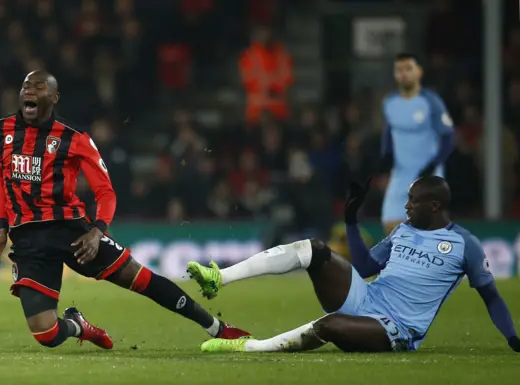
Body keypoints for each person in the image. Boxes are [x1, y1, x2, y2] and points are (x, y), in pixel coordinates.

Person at [0, 70, 250, 350]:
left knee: (141, 279)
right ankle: (78, 325)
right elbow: (1, 181)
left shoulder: (75, 138)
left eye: (38, 87)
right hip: (28, 241)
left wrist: (97, 232)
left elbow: (105, 192)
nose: (29, 91)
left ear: (54, 97)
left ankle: (217, 327)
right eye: (26, 86)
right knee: (46, 335)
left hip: (71, 233)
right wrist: (2, 228)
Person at [187, 176, 520, 353]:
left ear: (434, 205)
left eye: (412, 201)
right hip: (366, 297)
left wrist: (512, 337)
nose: (405, 207)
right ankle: (220, 277)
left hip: (396, 327)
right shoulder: (403, 232)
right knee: (314, 249)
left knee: (330, 326)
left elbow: (490, 296)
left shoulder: (466, 245)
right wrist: (350, 220)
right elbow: (365, 267)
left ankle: (248, 347)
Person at [380, 53, 455, 235]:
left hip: (428, 176)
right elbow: (389, 132)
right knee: (390, 225)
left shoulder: (431, 101)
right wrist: (386, 161)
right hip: (400, 174)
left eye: (408, 69)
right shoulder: (390, 102)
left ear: (419, 72)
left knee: (427, 229)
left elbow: (449, 137)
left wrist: (433, 165)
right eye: (399, 70)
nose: (404, 74)